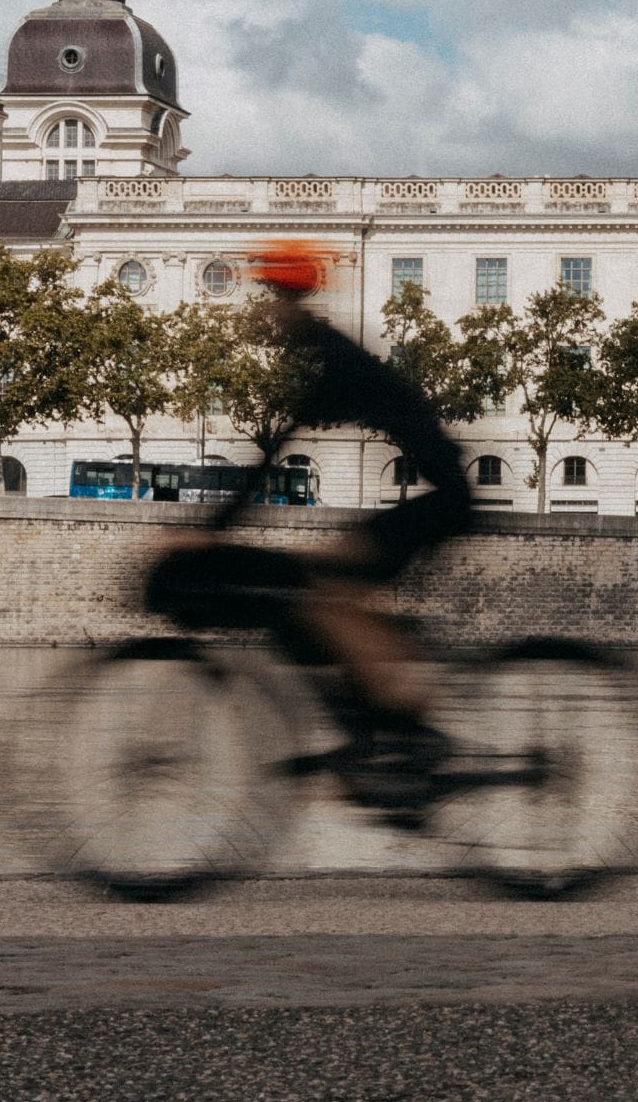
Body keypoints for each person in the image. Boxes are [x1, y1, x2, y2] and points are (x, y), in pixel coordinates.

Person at [149, 239, 471, 810]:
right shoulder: (329, 351)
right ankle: (385, 727)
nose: (265, 310)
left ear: (287, 297)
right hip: (440, 495)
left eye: (269, 297)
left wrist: (214, 529)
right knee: (335, 588)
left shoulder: (332, 358)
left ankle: (399, 728)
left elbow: (275, 448)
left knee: (326, 591)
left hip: (447, 500)